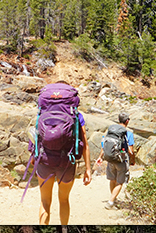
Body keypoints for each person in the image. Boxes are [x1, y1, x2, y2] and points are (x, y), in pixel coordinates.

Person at [33, 85, 92, 225]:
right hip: (67, 162)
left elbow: (37, 137)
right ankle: (64, 228)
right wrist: (88, 169)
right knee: (64, 200)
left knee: (45, 201)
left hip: (44, 160)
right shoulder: (76, 116)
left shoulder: (42, 113)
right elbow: (85, 144)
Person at [95, 113, 135, 209]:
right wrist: (132, 160)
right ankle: (111, 202)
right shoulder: (128, 133)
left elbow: (104, 144)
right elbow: (131, 151)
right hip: (121, 160)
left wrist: (100, 157)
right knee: (120, 182)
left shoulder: (112, 131)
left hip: (110, 159)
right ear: (127, 121)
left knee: (112, 179)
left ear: (118, 120)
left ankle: (113, 199)